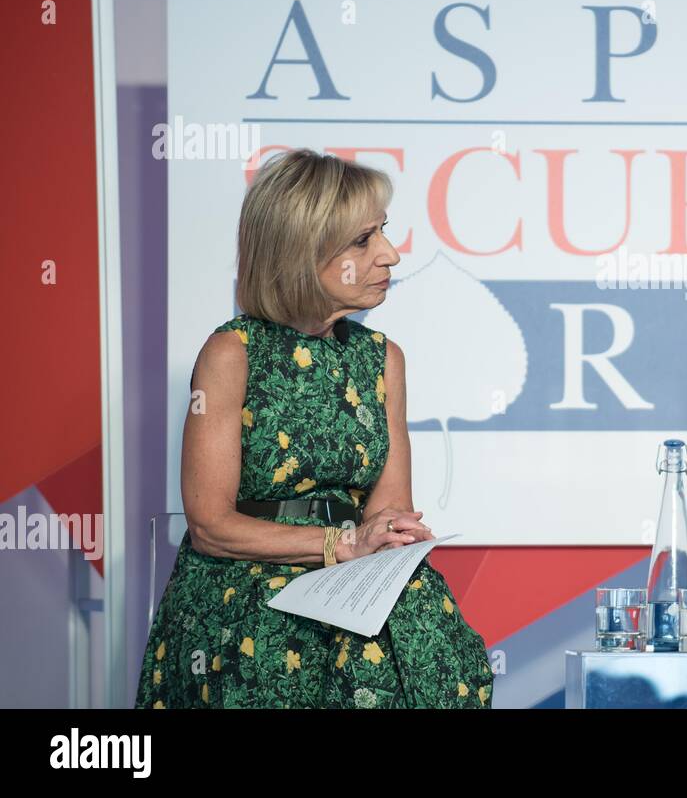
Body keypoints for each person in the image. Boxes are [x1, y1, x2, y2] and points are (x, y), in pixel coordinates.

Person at [136, 149, 492, 708]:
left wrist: (388, 536)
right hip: (247, 584)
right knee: (288, 652)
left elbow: (389, 509)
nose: (391, 256)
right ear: (300, 253)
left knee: (427, 623)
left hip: (351, 582)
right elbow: (209, 526)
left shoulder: (383, 359)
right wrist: (339, 546)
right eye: (362, 241)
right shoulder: (233, 353)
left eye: (383, 233)